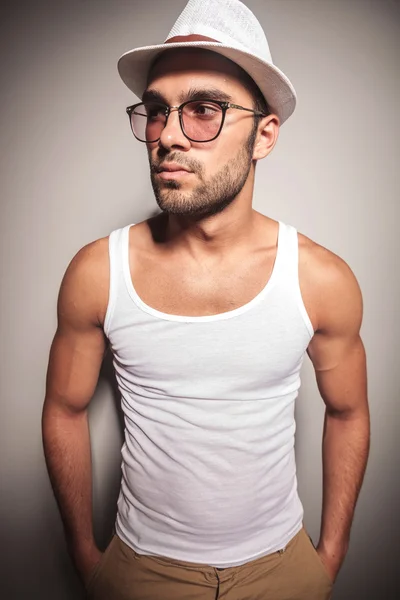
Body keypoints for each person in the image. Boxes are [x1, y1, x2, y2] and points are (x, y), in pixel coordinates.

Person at [41, 1, 370, 599]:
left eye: (203, 111)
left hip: (283, 571)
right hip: (140, 573)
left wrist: (330, 554)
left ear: (264, 135)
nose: (166, 135)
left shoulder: (321, 279)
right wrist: (87, 556)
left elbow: (348, 413)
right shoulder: (98, 272)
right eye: (158, 110)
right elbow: (64, 409)